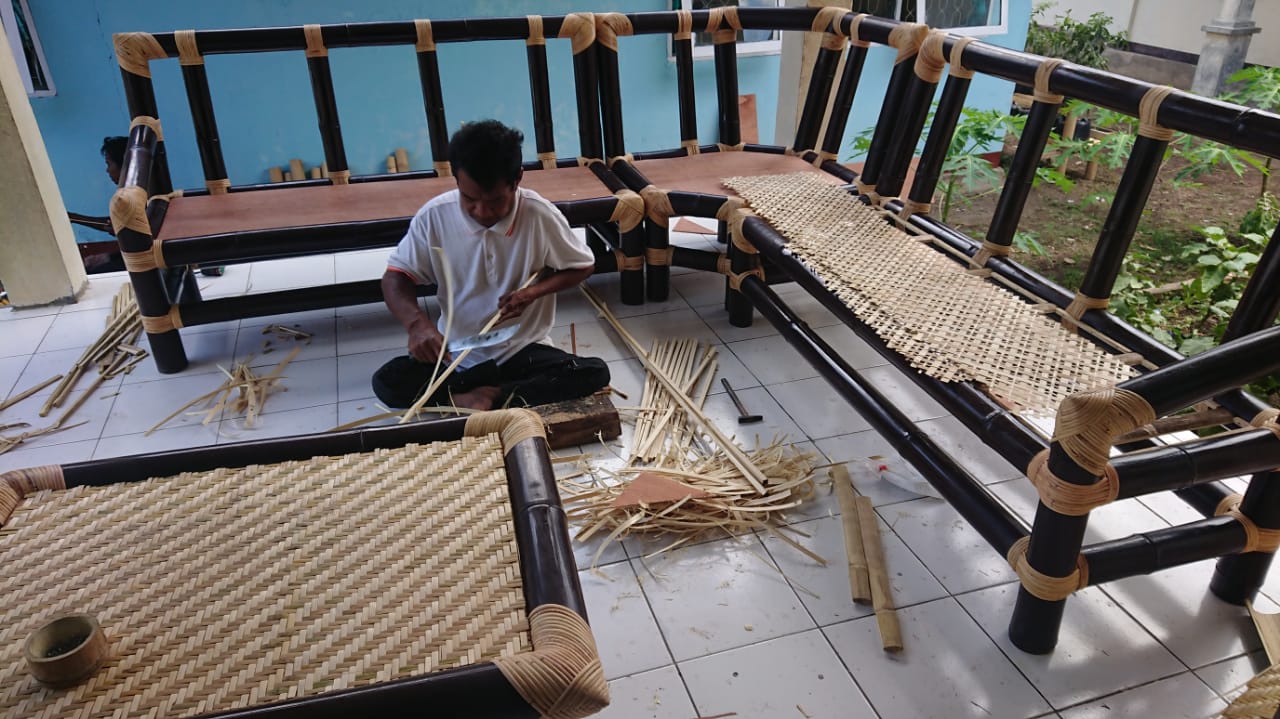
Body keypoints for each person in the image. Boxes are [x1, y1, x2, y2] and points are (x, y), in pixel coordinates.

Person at [373, 120, 609, 411]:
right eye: (470, 198)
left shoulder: (539, 215)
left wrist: (532, 293)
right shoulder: (434, 217)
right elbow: (395, 277)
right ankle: (489, 394)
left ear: (517, 179)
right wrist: (417, 325)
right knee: (386, 380)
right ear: (456, 180)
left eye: (496, 200)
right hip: (456, 354)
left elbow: (582, 265)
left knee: (593, 372)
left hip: (521, 350)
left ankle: (488, 395)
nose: (482, 211)